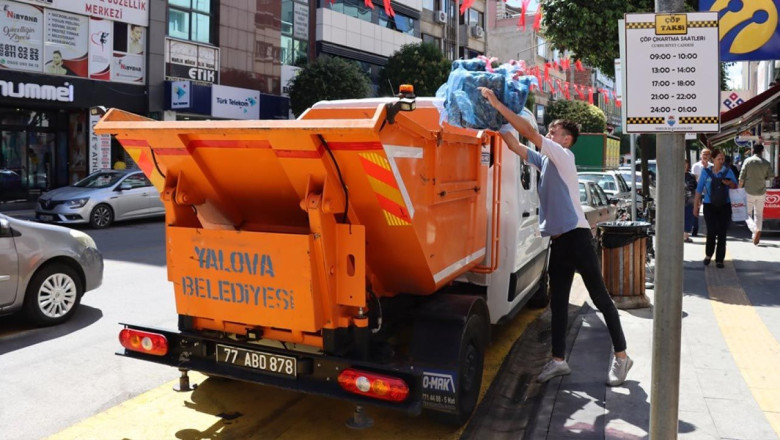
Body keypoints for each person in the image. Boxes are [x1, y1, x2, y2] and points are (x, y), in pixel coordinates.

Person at [479, 87, 631, 386]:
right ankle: (559, 361)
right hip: (559, 242)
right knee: (557, 303)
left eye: (554, 130)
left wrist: (498, 103)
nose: (549, 131)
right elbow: (515, 145)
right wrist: (496, 120)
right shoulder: (546, 160)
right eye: (550, 130)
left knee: (600, 298)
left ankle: (623, 358)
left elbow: (530, 134)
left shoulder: (562, 156)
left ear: (565, 139)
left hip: (577, 237)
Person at [694, 148, 737, 268]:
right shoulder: (706, 172)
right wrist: (696, 206)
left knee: (722, 233)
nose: (721, 161)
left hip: (725, 205)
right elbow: (699, 190)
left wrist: (730, 184)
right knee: (711, 231)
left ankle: (720, 259)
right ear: (713, 159)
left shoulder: (728, 171)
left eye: (723, 158)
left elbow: (735, 186)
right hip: (709, 206)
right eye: (719, 158)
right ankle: (708, 254)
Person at [739, 143, 773, 245]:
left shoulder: (747, 161)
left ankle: (754, 230)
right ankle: (755, 236)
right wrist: (763, 178)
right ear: (762, 151)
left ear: (753, 150)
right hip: (761, 191)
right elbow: (771, 176)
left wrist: (739, 190)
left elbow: (741, 178)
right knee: (758, 214)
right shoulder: (766, 163)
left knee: (746, 214)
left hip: (748, 191)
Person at [690, 148, 712, 237]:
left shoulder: (712, 166)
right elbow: (695, 181)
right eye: (704, 154)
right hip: (698, 192)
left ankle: (710, 230)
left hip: (709, 192)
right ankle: (695, 229)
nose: (705, 156)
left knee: (709, 212)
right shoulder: (696, 166)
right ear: (700, 155)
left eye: (707, 154)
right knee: (696, 210)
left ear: (710, 156)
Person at [684, 159, 697, 243]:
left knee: (688, 218)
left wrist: (697, 201)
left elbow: (694, 189)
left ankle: (686, 236)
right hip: (677, 202)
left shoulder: (691, 176)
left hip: (689, 201)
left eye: (685, 163)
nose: (684, 165)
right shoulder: (675, 175)